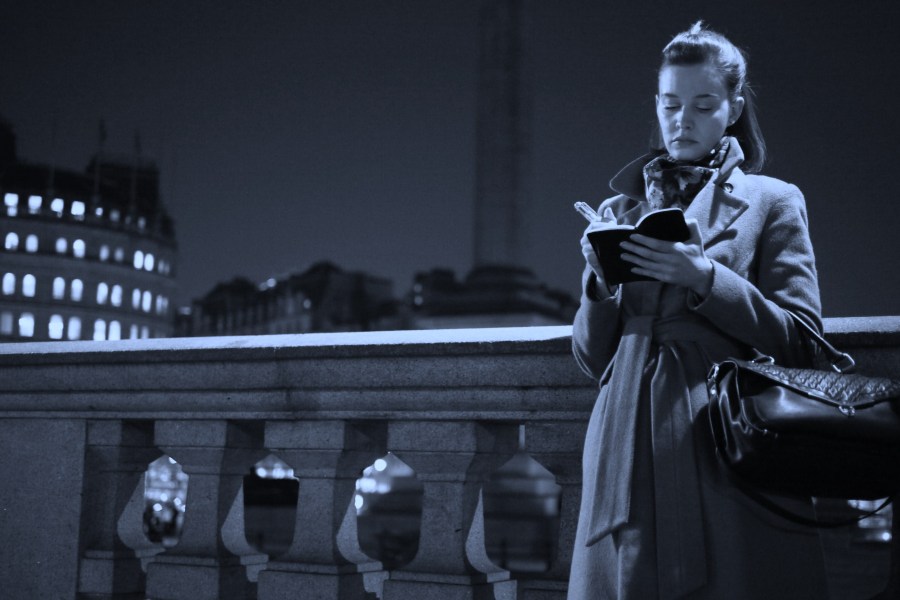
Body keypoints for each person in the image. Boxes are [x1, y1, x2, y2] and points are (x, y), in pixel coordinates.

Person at [568, 22, 827, 599]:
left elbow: (804, 341)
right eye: (670, 104)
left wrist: (706, 279)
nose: (682, 120)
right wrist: (598, 282)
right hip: (624, 431)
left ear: (733, 108)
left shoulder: (773, 200)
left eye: (703, 104)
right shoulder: (622, 206)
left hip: (721, 437)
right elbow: (590, 360)